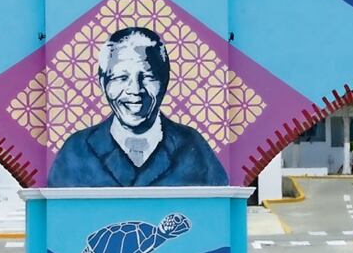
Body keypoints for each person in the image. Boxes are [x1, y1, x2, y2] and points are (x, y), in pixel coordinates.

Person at [47, 27, 229, 187]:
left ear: (164, 81)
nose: (135, 90)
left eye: (148, 77)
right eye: (121, 78)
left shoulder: (194, 147)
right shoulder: (76, 150)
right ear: (103, 83)